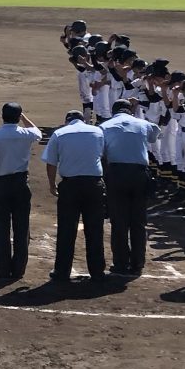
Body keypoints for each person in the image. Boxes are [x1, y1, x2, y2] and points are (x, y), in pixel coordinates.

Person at [0, 103, 43, 280]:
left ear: (2, 116)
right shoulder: (26, 134)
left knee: (1, 227)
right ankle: (19, 269)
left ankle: (2, 268)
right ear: (18, 116)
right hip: (21, 183)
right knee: (22, 227)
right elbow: (37, 131)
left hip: (1, 184)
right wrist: (23, 117)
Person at [41, 110, 107, 283]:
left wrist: (51, 184)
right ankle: (97, 271)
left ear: (67, 120)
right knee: (94, 229)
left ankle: (62, 271)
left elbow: (51, 162)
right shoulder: (97, 131)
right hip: (94, 185)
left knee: (66, 230)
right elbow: (101, 154)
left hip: (70, 186)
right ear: (82, 119)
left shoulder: (59, 133)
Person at [100, 99, 161, 276]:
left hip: (116, 174)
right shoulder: (143, 124)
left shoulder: (105, 126)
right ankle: (137, 263)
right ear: (130, 110)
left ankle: (120, 263)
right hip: (139, 175)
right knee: (138, 222)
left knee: (118, 221)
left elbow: (102, 153)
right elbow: (155, 134)